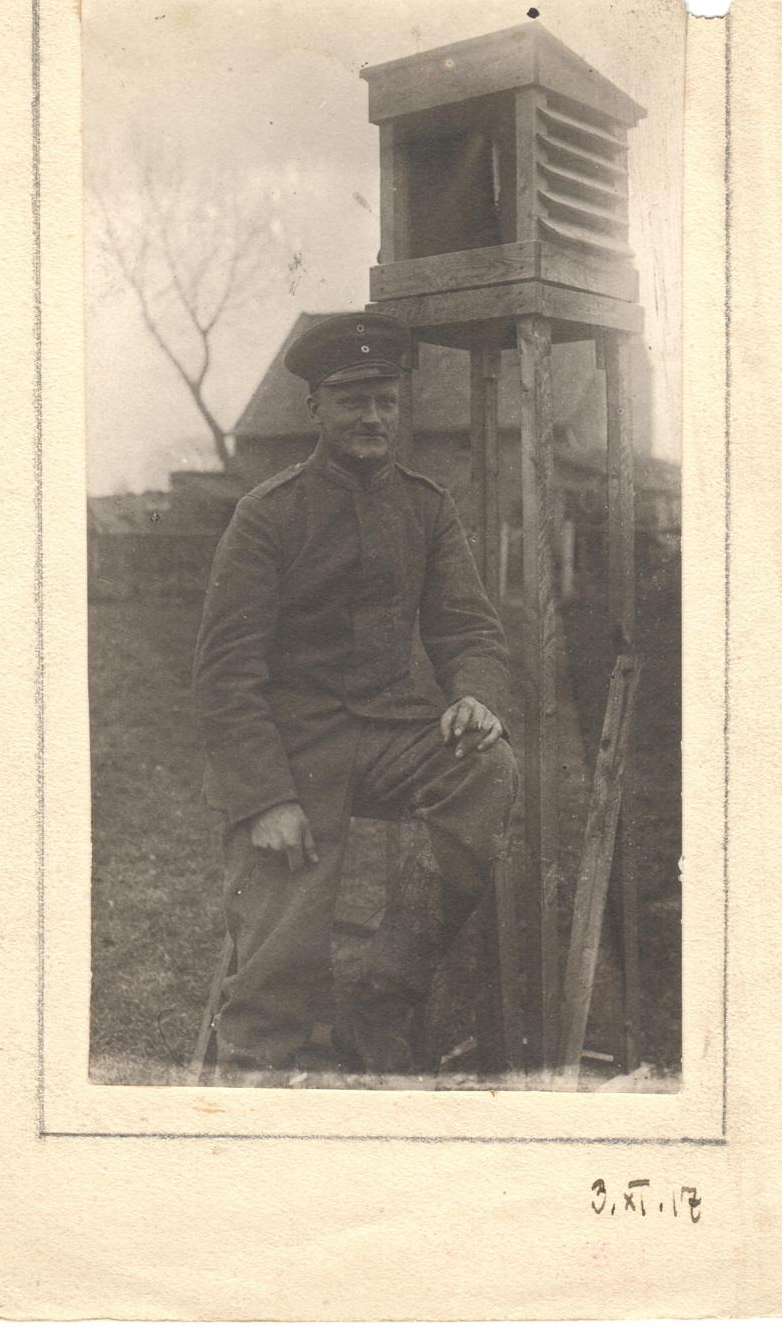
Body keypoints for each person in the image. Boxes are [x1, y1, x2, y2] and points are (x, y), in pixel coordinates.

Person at [193, 312, 518, 1080]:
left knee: (487, 767)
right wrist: (266, 798)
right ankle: (261, 1065)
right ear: (316, 407)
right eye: (352, 401)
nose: (373, 417)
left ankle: (383, 997)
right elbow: (226, 673)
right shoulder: (267, 514)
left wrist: (475, 695)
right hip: (292, 747)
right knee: (277, 963)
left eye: (385, 401)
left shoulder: (427, 507)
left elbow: (470, 629)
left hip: (391, 734)